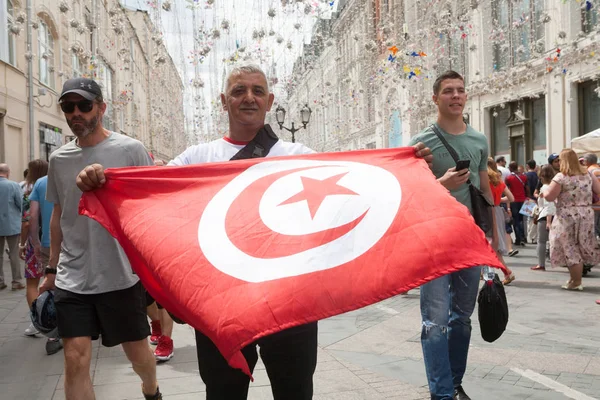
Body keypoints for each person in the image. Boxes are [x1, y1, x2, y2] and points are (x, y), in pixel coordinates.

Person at [75, 64, 433, 400]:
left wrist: (407, 169)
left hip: (291, 300)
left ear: (270, 101)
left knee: (294, 391)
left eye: (258, 91)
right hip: (221, 306)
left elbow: (358, 192)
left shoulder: (299, 155)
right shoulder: (195, 158)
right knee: (223, 392)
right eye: (239, 90)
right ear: (223, 100)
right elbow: (149, 194)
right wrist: (102, 180)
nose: (249, 97)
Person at [38, 77, 162, 400]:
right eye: (68, 107)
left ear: (102, 108)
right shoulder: (58, 160)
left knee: (139, 357)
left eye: (84, 105)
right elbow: (58, 216)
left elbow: (151, 208)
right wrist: (51, 270)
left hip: (120, 275)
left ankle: (152, 390)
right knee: (75, 358)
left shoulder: (131, 150)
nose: (75, 112)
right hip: (72, 277)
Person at [408, 70, 493, 400]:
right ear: (435, 98)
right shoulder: (420, 143)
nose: (456, 96)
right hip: (433, 239)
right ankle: (441, 393)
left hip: (469, 239)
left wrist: (495, 240)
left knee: (462, 319)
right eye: (448, 91)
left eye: (460, 90)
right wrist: (442, 183)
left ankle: (454, 384)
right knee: (435, 322)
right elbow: (408, 192)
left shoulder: (479, 141)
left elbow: (485, 190)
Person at [540, 149, 600, 290]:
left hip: (567, 215)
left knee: (570, 247)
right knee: (580, 244)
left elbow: (550, 196)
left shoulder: (561, 177)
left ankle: (576, 281)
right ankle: (574, 279)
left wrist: (545, 191)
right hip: (586, 213)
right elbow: (598, 189)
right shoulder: (588, 175)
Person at [17, 160, 51, 334]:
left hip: (35, 242)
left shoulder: (28, 192)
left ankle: (38, 322)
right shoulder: (56, 183)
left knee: (32, 283)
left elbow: (27, 221)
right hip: (57, 241)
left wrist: (23, 244)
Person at [487, 158, 516, 285]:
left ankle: (505, 272)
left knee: (490, 244)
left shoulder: (484, 180)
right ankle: (489, 273)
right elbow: (511, 198)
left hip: (487, 211)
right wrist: (498, 200)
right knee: (494, 243)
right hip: (498, 210)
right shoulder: (498, 181)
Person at [0, 163, 24, 290]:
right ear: (8, 172)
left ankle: (0, 281)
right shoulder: (13, 185)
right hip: (11, 224)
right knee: (14, 253)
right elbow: (20, 203)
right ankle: (16, 281)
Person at [531, 165, 556, 271]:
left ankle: (541, 264)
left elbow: (549, 204)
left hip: (545, 215)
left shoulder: (545, 187)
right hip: (554, 215)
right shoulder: (554, 186)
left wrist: (548, 221)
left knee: (541, 241)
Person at [505, 161, 528, 246]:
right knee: (522, 219)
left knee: (516, 220)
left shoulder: (509, 178)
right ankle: (523, 237)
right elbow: (527, 188)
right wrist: (528, 198)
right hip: (523, 200)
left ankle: (518, 238)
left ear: (510, 168)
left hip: (513, 201)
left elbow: (507, 190)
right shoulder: (524, 176)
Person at [583, 153, 600, 238]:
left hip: (594, 203)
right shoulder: (598, 169)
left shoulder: (589, 171)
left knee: (593, 229)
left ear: (587, 161)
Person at [525, 160, 539, 244]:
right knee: (536, 217)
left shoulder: (526, 176)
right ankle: (534, 236)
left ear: (527, 166)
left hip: (529, 198)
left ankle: (530, 236)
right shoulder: (538, 175)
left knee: (529, 218)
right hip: (537, 198)